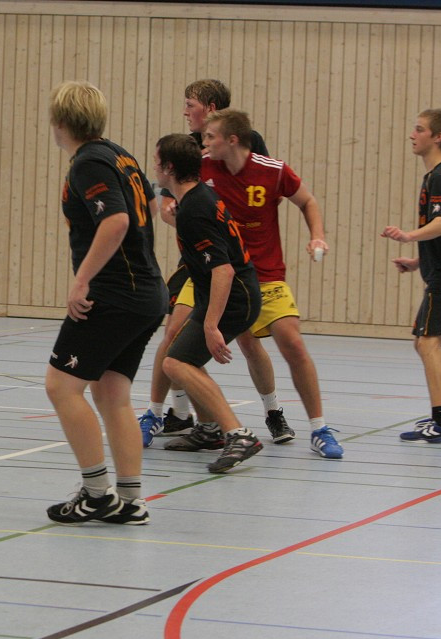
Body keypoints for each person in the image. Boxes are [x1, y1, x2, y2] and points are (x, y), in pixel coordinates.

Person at [171, 109, 344, 459]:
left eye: (210, 136)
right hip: (215, 271)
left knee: (290, 342)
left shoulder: (272, 171)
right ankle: (180, 417)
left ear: (232, 140)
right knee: (175, 336)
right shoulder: (202, 168)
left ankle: (316, 427)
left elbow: (307, 201)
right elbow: (168, 199)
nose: (204, 143)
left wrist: (318, 236)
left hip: (264, 275)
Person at [44, 81, 167, 526]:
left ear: (60, 122)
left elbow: (116, 220)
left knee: (61, 387)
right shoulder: (119, 154)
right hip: (147, 294)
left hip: (115, 295)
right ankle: (131, 500)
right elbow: (149, 206)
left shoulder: (87, 163)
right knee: (112, 393)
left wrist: (82, 281)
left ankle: (96, 493)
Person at [139, 78, 286, 449]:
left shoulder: (241, 148)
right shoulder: (189, 163)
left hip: (232, 266)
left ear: (213, 109)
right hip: (205, 262)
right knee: (175, 340)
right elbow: (167, 206)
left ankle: (266, 415)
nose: (186, 111)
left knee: (243, 340)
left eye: (191, 104)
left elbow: (269, 195)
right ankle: (177, 415)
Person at [155, 133, 264, 473]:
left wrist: (211, 324)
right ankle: (209, 430)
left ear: (170, 168)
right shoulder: (196, 200)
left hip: (235, 297)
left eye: (158, 162)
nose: (155, 168)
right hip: (228, 293)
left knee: (175, 363)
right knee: (183, 356)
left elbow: (223, 269)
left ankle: (238, 433)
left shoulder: (195, 210)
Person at [383, 109, 441, 444]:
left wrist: (408, 235)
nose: (413, 134)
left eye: (419, 129)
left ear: (438, 137)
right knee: (425, 342)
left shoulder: (440, 176)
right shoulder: (438, 176)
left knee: (427, 342)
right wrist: (418, 262)